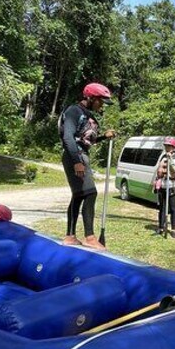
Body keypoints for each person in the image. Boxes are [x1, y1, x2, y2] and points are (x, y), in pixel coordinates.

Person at [59, 82, 116, 250]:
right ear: (90, 98)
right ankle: (90, 237)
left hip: (81, 154)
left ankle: (70, 236)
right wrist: (77, 161)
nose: (101, 106)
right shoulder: (74, 111)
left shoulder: (87, 115)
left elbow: (86, 140)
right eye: (100, 102)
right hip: (74, 156)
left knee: (79, 195)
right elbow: (68, 137)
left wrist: (104, 137)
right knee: (90, 193)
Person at [152, 137, 175, 238]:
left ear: (173, 147)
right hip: (163, 185)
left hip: (173, 186)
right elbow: (159, 170)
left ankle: (173, 230)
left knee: (173, 208)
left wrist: (170, 159)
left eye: (169, 146)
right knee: (162, 208)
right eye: (166, 146)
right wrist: (156, 181)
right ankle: (161, 227)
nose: (167, 147)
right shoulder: (163, 157)